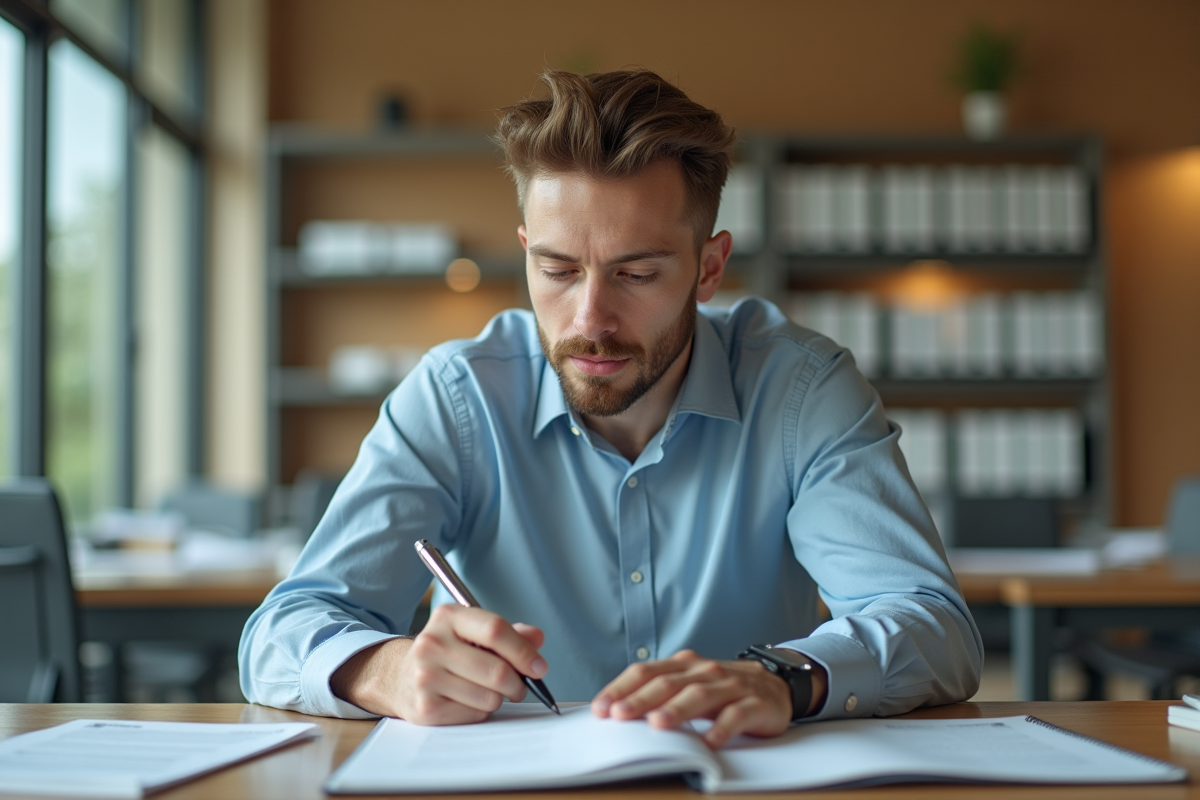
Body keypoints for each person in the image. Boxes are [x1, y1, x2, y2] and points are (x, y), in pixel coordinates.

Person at [239, 68, 982, 749]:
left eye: (637, 272)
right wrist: (384, 670)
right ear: (527, 250)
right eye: (558, 269)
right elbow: (281, 632)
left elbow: (936, 628)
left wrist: (786, 677)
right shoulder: (456, 398)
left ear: (709, 267)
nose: (589, 318)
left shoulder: (802, 390)